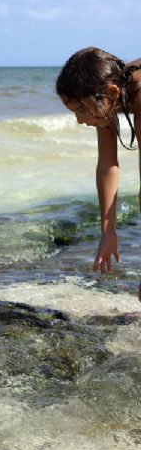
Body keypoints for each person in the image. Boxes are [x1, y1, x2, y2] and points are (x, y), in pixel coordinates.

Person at [56, 48, 141, 285]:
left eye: (81, 109)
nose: (80, 120)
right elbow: (107, 165)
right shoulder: (108, 93)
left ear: (111, 93)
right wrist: (108, 231)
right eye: (74, 112)